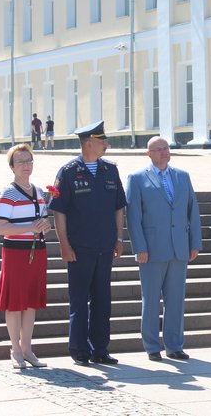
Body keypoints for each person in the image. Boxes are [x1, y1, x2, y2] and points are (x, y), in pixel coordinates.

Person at [49, 120, 127, 366]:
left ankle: (100, 349)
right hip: (79, 247)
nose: (107, 144)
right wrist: (64, 244)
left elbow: (118, 208)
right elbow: (59, 211)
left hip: (105, 245)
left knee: (103, 299)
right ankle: (80, 349)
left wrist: (119, 237)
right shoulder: (69, 172)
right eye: (102, 140)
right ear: (89, 143)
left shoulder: (110, 170)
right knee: (80, 299)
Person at [126, 136, 202, 362]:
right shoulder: (137, 178)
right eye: (158, 149)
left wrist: (195, 243)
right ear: (148, 154)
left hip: (179, 249)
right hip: (151, 250)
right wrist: (139, 246)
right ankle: (151, 346)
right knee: (151, 300)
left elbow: (193, 210)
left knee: (176, 300)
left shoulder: (182, 176)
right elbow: (133, 217)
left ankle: (174, 345)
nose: (163, 152)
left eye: (166, 148)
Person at [0, 143, 51, 369]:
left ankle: (27, 348)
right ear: (12, 166)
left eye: (29, 161)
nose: (26, 166)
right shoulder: (8, 193)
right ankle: (15, 349)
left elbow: (42, 222)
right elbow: (0, 227)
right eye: (21, 162)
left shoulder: (38, 191)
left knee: (31, 302)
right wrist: (30, 227)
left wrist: (45, 225)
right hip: (16, 253)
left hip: (37, 251)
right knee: (15, 302)